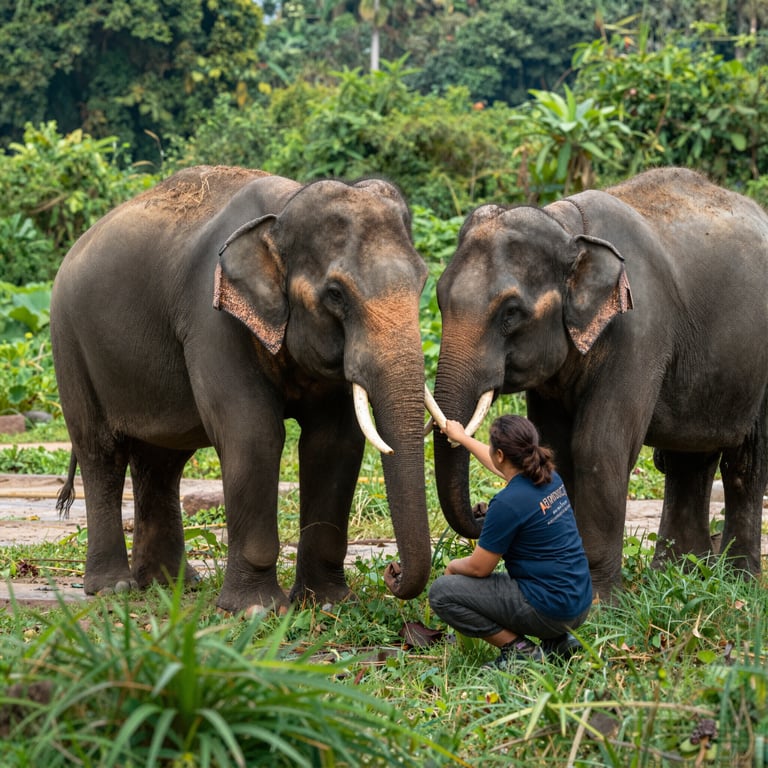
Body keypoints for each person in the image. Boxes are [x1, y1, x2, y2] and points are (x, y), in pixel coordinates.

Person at [429, 414, 592, 669]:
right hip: (579, 602)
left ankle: (520, 651)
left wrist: (452, 567)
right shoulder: (549, 476)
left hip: (552, 609)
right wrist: (463, 439)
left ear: (502, 455)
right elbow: (499, 466)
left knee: (442, 593)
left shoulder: (506, 504)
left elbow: (479, 569)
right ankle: (558, 641)